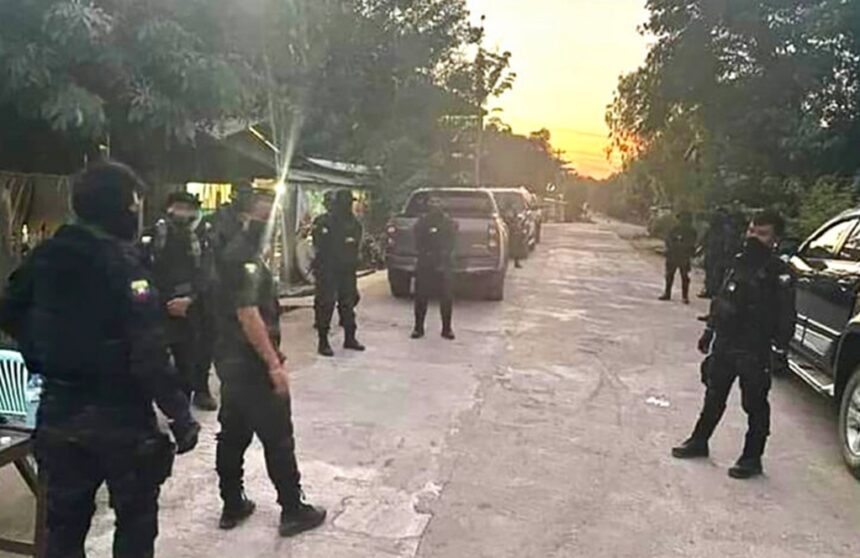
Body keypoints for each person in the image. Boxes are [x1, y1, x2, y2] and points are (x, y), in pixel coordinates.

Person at [0, 161, 200, 557]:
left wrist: (41, 351)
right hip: (121, 417)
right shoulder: (124, 266)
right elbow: (149, 353)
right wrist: (179, 414)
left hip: (59, 414)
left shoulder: (46, 256)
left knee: (63, 529)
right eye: (136, 203)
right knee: (135, 527)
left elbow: (8, 311)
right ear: (124, 206)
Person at [214, 187, 326, 537]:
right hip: (251, 363)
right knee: (277, 437)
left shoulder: (237, 250)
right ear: (246, 215)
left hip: (231, 362)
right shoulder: (241, 254)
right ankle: (292, 509)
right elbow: (248, 314)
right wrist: (273, 363)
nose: (270, 221)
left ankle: (232, 503)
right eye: (264, 214)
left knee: (232, 433)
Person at [672, 210, 796, 479]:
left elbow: (787, 314)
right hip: (726, 341)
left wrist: (780, 349)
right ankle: (699, 441)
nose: (753, 237)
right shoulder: (738, 262)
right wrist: (709, 331)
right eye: (751, 231)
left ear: (776, 239)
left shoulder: (780, 272)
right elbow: (722, 300)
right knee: (714, 395)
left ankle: (752, 458)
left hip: (755, 345)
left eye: (761, 233)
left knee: (755, 403)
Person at [140, 192, 217, 411]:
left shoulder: (203, 235)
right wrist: (159, 300)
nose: (183, 211)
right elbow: (142, 269)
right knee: (155, 356)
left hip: (194, 306)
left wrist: (189, 299)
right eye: (178, 206)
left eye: (188, 207)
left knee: (195, 355)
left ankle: (195, 394)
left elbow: (207, 271)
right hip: (160, 305)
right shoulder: (154, 234)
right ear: (169, 208)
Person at [311, 189, 365, 357]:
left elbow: (355, 246)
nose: (349, 205)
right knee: (325, 305)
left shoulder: (354, 223)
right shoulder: (323, 221)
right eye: (346, 202)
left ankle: (350, 338)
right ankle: (323, 341)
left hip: (347, 270)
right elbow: (319, 243)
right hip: (328, 269)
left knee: (348, 304)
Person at [411, 195, 458, 340]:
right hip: (425, 262)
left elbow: (452, 242)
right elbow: (418, 241)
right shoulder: (422, 222)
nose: (435, 205)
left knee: (446, 297)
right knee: (421, 297)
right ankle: (418, 328)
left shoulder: (448, 222)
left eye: (438, 201)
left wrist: (444, 254)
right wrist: (426, 253)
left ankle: (446, 329)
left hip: (443, 263)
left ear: (442, 204)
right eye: (432, 202)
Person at [659, 211, 697, 304]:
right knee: (670, 275)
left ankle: (684, 296)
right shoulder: (675, 229)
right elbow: (668, 240)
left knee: (683, 277)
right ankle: (669, 293)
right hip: (675, 255)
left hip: (682, 255)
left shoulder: (691, 231)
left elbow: (691, 243)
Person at [699, 208, 730, 299]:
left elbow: (727, 242)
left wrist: (726, 253)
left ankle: (714, 291)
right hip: (711, 253)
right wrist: (700, 248)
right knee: (710, 273)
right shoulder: (712, 228)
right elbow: (704, 239)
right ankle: (709, 290)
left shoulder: (725, 229)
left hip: (719, 255)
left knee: (716, 274)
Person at [502, 202, 526, 269]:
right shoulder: (507, 215)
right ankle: (515, 262)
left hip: (512, 231)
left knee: (515, 247)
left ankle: (516, 262)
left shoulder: (511, 214)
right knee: (512, 247)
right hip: (509, 231)